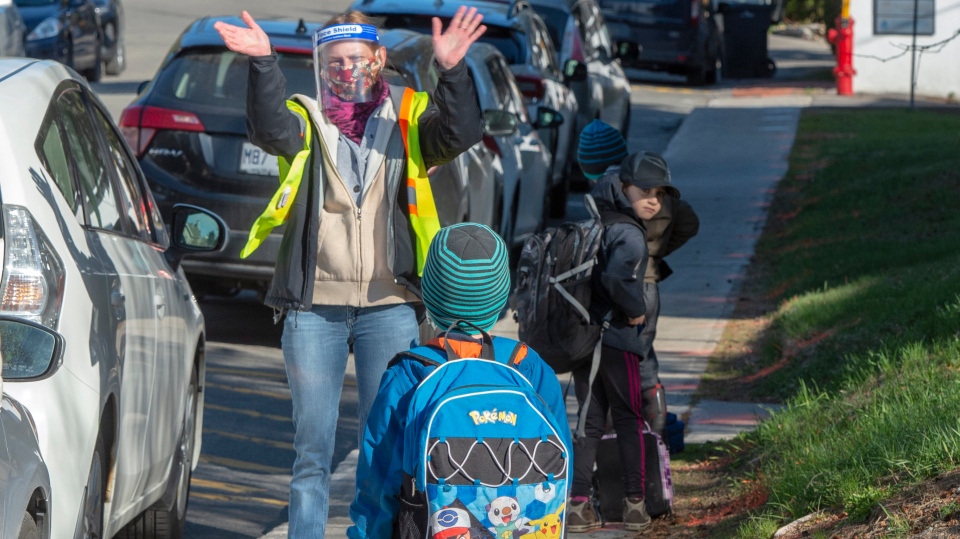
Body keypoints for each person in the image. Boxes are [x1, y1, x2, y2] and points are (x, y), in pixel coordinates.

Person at [214, 9, 487, 538]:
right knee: (311, 453)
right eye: (334, 62)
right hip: (314, 310)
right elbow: (270, 130)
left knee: (383, 445)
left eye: (356, 59)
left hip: (389, 308)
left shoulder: (407, 118)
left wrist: (450, 71)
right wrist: (264, 62)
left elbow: (460, 131)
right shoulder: (309, 118)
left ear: (379, 58)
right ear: (320, 65)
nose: (346, 71)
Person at [347, 223, 573, 539]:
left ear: (430, 298)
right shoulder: (530, 368)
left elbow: (379, 482)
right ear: (500, 299)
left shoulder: (410, 374)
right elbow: (562, 463)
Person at [567, 151, 654, 533]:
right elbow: (620, 278)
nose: (654, 200)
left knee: (589, 423)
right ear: (623, 188)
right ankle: (635, 505)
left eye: (660, 193)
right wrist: (636, 310)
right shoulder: (630, 233)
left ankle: (578, 505)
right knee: (630, 419)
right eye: (645, 191)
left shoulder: (594, 220)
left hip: (586, 340)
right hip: (617, 340)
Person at [632, 151, 699, 435]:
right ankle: (655, 432)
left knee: (620, 359)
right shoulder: (668, 203)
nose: (652, 198)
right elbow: (690, 224)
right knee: (644, 355)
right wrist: (656, 256)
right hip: (649, 285)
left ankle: (634, 429)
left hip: (625, 285)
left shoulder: (623, 200)